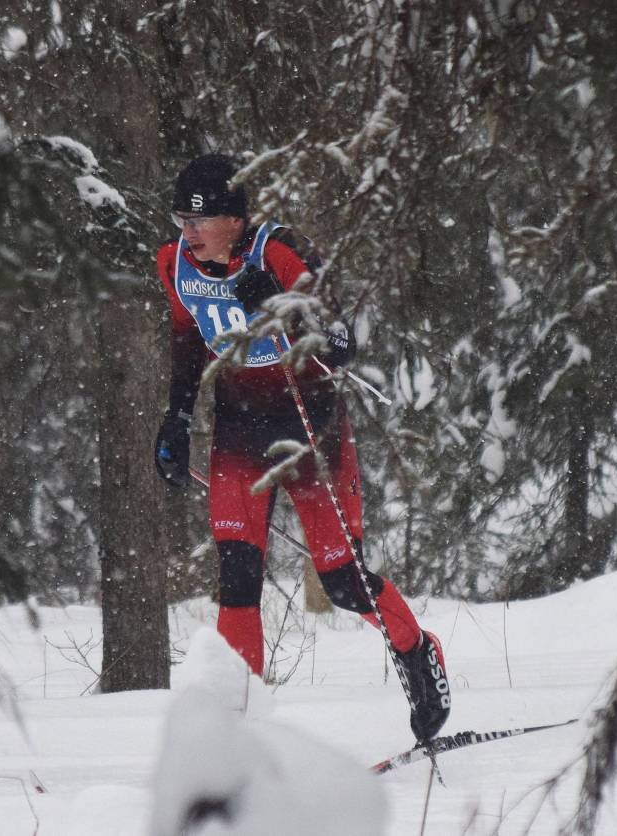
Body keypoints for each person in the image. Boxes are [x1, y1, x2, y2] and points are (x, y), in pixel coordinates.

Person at [152, 153, 451, 742]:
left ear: (235, 218)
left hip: (309, 431)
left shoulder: (281, 252)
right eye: (179, 221)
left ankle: (418, 652)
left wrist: (287, 313)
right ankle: (242, 735)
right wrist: (176, 419)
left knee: (343, 582)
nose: (185, 234)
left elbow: (341, 346)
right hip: (238, 433)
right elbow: (188, 344)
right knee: (237, 576)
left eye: (197, 221)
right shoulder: (174, 263)